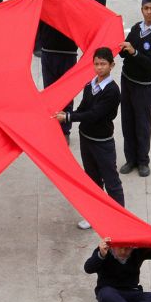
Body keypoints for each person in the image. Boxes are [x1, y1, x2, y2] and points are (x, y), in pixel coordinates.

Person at [56, 47, 123, 222]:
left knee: (111, 181)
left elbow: (94, 114)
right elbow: (83, 108)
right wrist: (67, 115)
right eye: (96, 64)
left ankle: (119, 218)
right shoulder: (90, 85)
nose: (99, 67)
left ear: (112, 65)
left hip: (102, 142)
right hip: (87, 139)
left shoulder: (112, 91)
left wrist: (69, 116)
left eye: (103, 64)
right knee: (92, 181)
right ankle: (95, 216)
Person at [118, 0, 151, 178]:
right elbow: (124, 54)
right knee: (127, 121)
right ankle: (130, 159)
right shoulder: (135, 29)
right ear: (141, 10)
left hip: (144, 86)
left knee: (142, 124)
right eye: (146, 8)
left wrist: (133, 52)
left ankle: (142, 161)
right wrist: (119, 48)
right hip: (127, 82)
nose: (149, 12)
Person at [37, 0, 77, 118]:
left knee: (67, 93)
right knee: (49, 92)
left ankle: (65, 128)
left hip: (68, 54)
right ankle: (51, 127)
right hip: (48, 52)